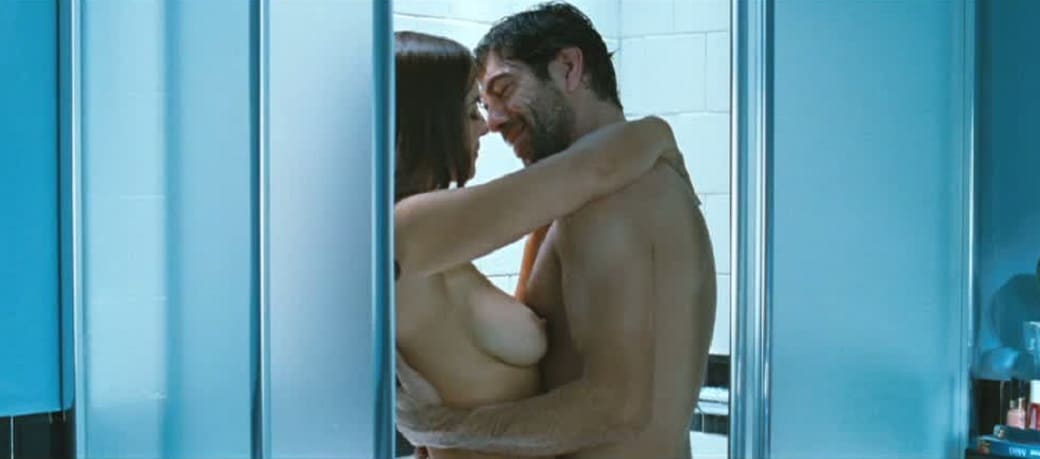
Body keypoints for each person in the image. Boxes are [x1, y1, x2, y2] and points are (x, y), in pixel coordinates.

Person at [395, 4, 717, 459]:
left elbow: (615, 407)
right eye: (479, 106)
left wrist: (446, 429)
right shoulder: (584, 200)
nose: (492, 121)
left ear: (568, 67)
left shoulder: (612, 201)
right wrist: (654, 134)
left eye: (503, 89)